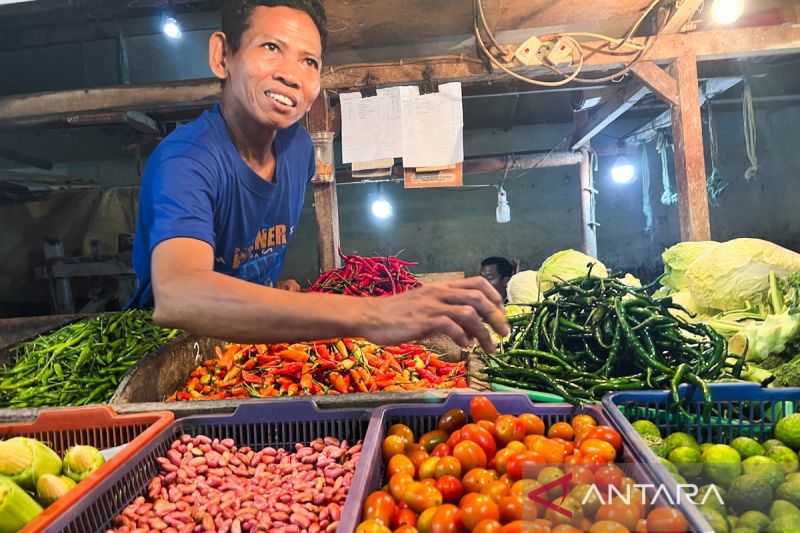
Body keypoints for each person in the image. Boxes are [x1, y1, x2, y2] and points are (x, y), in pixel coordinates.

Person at [128, 0, 508, 352]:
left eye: (309, 61)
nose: (291, 75)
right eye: (271, 48)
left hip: (242, 350)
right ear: (222, 56)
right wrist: (373, 314)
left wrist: (271, 291)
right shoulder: (185, 160)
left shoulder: (298, 151)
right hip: (167, 358)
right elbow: (178, 294)